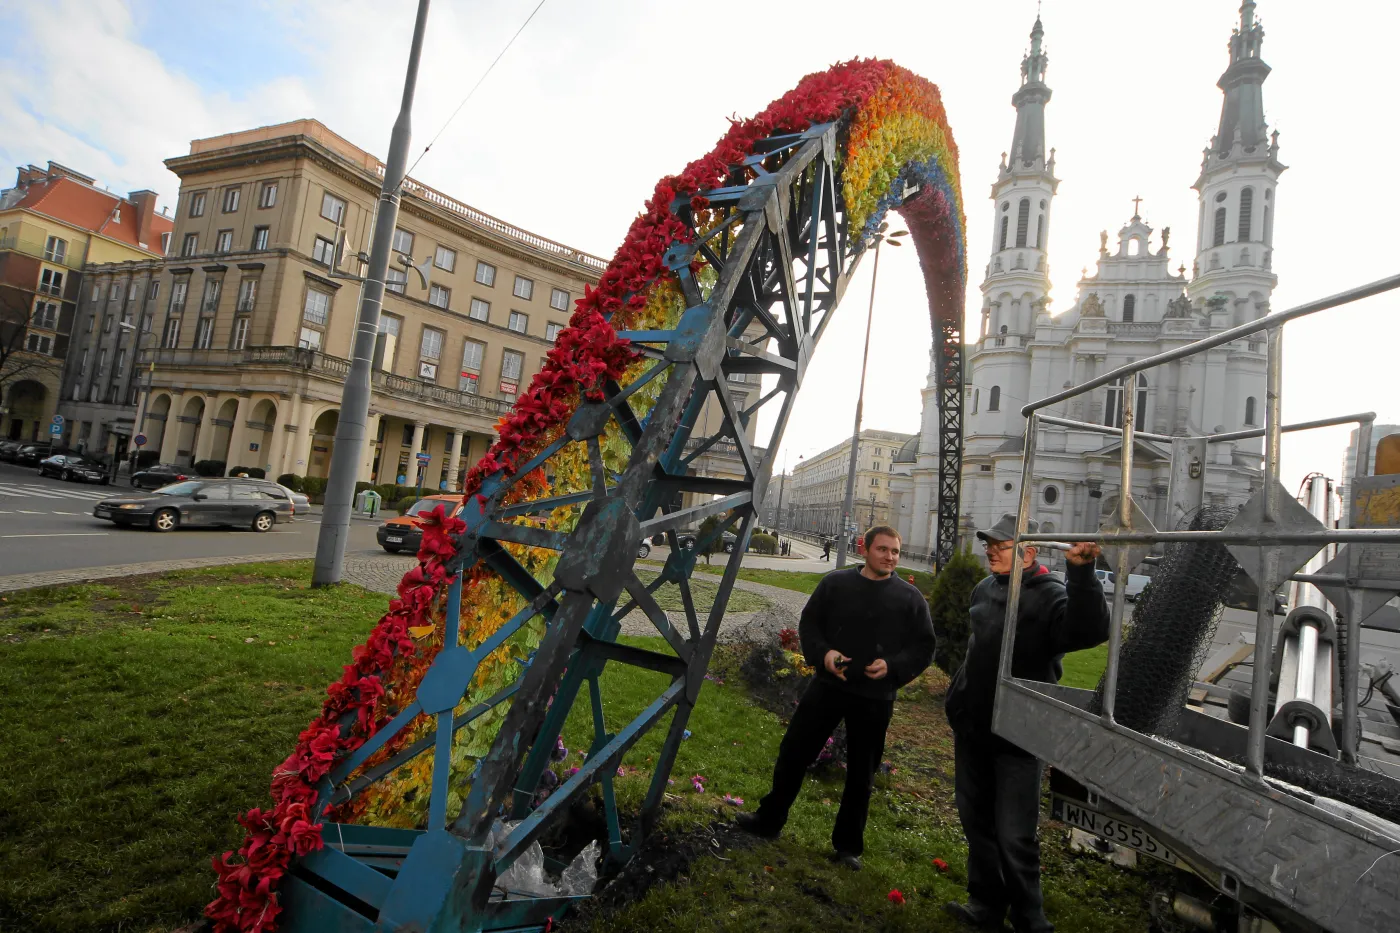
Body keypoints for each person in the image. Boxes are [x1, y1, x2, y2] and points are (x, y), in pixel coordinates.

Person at [943, 514, 1109, 933]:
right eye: (989, 544)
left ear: (1029, 551)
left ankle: (1029, 918)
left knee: (1015, 833)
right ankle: (985, 906)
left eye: (999, 545)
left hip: (1019, 735)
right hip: (974, 727)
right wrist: (958, 698)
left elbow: (1089, 632)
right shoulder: (985, 587)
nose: (989, 550)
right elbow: (975, 650)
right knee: (976, 821)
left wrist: (1082, 573)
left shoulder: (1050, 594)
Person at [737, 526, 935, 869]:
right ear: (865, 548)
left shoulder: (910, 598)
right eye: (883, 550)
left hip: (875, 698)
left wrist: (891, 666)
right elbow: (810, 623)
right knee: (794, 753)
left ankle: (847, 848)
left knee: (862, 774)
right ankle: (769, 820)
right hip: (829, 687)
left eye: (895, 552)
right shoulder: (835, 584)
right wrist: (825, 655)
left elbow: (924, 646)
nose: (890, 557)